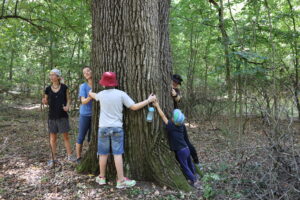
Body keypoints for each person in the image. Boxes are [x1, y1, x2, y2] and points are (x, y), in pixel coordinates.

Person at [88, 72, 156, 189]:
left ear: (104, 83)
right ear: (114, 83)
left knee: (103, 153)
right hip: (116, 128)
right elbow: (134, 107)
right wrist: (149, 100)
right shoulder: (121, 94)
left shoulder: (101, 94)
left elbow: (93, 95)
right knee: (117, 154)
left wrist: (89, 92)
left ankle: (102, 177)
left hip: (103, 128)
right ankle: (120, 180)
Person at [153, 100, 200, 188]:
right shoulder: (182, 126)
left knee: (184, 166)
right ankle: (195, 174)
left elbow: (162, 116)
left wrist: (157, 106)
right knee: (190, 163)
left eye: (173, 117)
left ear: (174, 120)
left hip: (181, 151)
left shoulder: (171, 125)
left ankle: (194, 180)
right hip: (186, 148)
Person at [42, 69, 76, 167]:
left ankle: (70, 155)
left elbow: (69, 99)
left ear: (58, 77)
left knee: (66, 136)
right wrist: (44, 101)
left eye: (53, 75)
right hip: (52, 116)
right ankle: (53, 158)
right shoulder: (48, 89)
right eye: (50, 75)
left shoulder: (64, 87)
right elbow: (46, 101)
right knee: (53, 138)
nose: (51, 77)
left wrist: (68, 106)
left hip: (62, 115)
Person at [171, 74, 203, 171]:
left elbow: (178, 99)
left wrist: (175, 94)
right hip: (171, 121)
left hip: (177, 121)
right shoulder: (166, 86)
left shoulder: (177, 91)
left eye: (177, 83)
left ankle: (196, 162)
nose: (175, 84)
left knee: (186, 143)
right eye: (174, 82)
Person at [76, 66, 93, 163]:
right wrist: (90, 96)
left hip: (96, 115)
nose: (86, 73)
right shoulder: (83, 86)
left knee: (92, 137)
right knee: (81, 136)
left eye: (88, 70)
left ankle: (92, 155)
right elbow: (83, 101)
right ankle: (78, 157)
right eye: (84, 72)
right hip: (85, 114)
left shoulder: (98, 85)